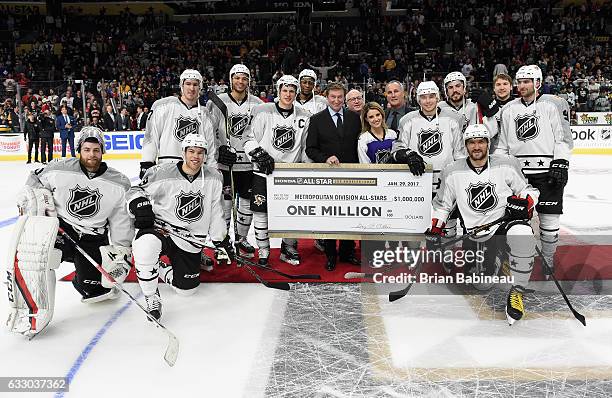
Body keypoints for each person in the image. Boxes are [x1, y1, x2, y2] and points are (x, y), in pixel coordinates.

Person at [9, 127, 134, 337]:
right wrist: (37, 197)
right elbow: (35, 180)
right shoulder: (59, 168)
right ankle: (36, 310)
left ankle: (83, 276)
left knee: (94, 293)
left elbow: (121, 221)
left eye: (96, 150)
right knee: (41, 259)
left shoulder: (118, 182)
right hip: (61, 229)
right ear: (79, 150)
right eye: (86, 149)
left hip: (93, 236)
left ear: (102, 151)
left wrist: (121, 250)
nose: (91, 155)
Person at [429, 124, 539, 325]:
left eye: (481, 141)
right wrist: (436, 228)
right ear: (465, 146)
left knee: (522, 233)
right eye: (472, 142)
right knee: (480, 285)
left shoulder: (506, 163)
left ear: (489, 144)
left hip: (504, 224)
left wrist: (526, 203)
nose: (476, 146)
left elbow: (529, 190)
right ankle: (500, 259)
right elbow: (442, 205)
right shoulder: (452, 171)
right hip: (476, 232)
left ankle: (517, 292)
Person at [128, 133, 233, 320]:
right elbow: (135, 191)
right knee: (145, 247)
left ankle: (158, 267)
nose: (195, 156)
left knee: (187, 290)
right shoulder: (162, 172)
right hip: (162, 230)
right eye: (191, 151)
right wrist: (139, 205)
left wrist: (221, 239)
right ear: (183, 153)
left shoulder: (214, 178)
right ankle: (152, 297)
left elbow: (216, 211)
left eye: (200, 152)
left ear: (205, 155)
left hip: (189, 238)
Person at [496, 65, 572, 273]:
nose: (522, 85)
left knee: (549, 219)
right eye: (519, 82)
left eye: (527, 81)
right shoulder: (509, 109)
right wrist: (500, 168)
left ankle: (548, 258)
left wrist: (561, 162)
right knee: (514, 221)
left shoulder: (550, 107)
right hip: (519, 176)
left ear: (537, 83)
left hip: (547, 172)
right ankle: (510, 258)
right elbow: (503, 144)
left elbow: (561, 139)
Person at [243, 75, 311, 267]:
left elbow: (305, 147)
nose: (288, 94)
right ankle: (263, 249)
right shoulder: (262, 110)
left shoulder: (304, 116)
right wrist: (257, 153)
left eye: (292, 91)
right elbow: (249, 138)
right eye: (284, 90)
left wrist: (306, 168)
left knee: (292, 212)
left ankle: (288, 248)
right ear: (278, 91)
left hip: (290, 174)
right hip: (263, 172)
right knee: (261, 211)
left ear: (296, 93)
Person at [206, 63, 263, 262]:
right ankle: (223, 242)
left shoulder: (257, 103)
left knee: (247, 204)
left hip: (248, 163)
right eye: (237, 77)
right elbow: (209, 129)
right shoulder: (218, 101)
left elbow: (259, 131)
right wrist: (219, 150)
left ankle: (241, 239)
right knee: (224, 204)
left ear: (249, 81)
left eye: (244, 78)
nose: (240, 81)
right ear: (231, 79)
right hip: (225, 164)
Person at [305, 82, 362, 271]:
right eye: (333, 97)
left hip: (352, 177)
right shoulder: (316, 120)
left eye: (339, 97)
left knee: (350, 215)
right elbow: (310, 148)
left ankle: (347, 252)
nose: (336, 100)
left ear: (344, 98)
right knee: (330, 217)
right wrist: (325, 158)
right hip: (327, 178)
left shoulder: (355, 118)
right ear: (326, 97)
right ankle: (331, 254)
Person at [140, 69, 216, 179]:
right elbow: (151, 137)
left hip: (196, 171)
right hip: (167, 168)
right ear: (181, 85)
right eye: (188, 84)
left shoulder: (205, 114)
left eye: (195, 84)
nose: (191, 88)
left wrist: (212, 170)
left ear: (200, 87)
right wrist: (146, 162)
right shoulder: (163, 106)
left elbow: (211, 147)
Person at [477, 73, 514, 150]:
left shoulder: (519, 105)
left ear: (511, 87)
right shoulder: (486, 105)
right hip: (493, 151)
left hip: (515, 150)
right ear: (494, 88)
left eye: (505, 84)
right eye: (498, 84)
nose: (502, 87)